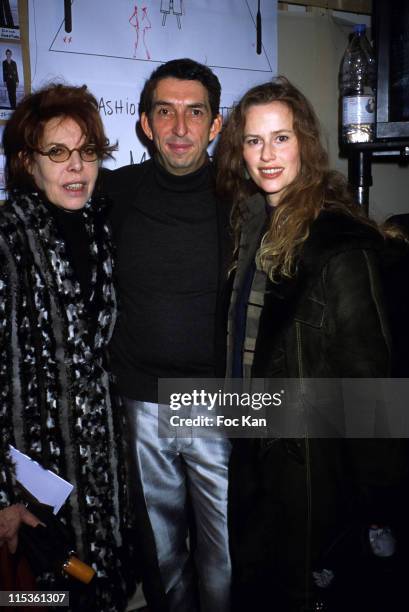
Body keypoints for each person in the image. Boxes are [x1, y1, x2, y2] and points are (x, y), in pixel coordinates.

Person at [216, 77, 408, 612]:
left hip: (315, 473)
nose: (267, 154)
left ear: (304, 142)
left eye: (281, 138)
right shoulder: (254, 224)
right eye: (254, 141)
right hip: (255, 449)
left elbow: (371, 393)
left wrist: (378, 507)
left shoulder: (340, 246)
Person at [102, 58, 232, 612]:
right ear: (145, 124)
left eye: (194, 112)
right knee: (161, 559)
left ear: (216, 124)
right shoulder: (113, 194)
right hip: (142, 403)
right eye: (166, 112)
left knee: (226, 553)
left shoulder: (244, 199)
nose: (180, 128)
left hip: (221, 403)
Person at [0, 83, 134, 612]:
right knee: (44, 600)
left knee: (99, 591)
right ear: (26, 163)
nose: (76, 167)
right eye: (58, 153)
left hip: (101, 477)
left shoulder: (101, 229)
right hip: (31, 482)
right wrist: (3, 498)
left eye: (87, 152)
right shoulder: (7, 240)